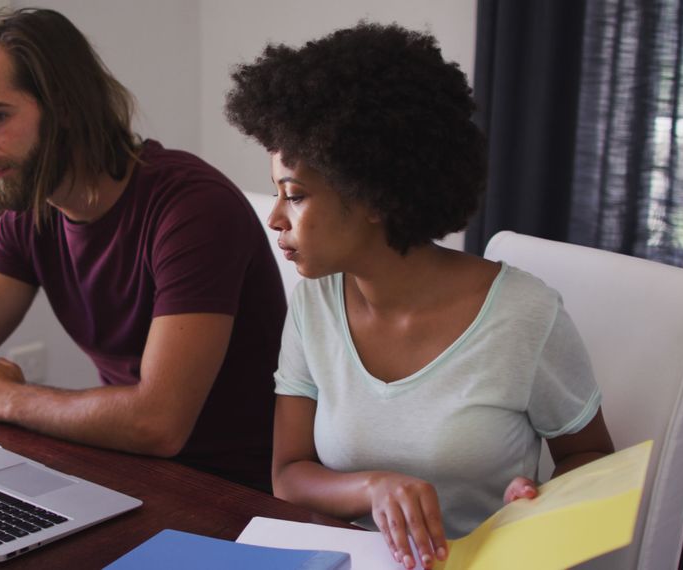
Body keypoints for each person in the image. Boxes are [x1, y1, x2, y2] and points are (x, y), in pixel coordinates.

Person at [224, 22, 615, 569]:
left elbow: (592, 457)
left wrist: (539, 500)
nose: (275, 218)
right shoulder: (314, 303)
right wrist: (374, 488)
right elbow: (289, 474)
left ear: (373, 196)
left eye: (296, 195)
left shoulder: (525, 316)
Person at [0, 8, 285, 491]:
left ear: (66, 106)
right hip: (125, 469)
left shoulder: (193, 207)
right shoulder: (31, 212)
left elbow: (159, 423)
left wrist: (10, 399)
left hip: (231, 492)